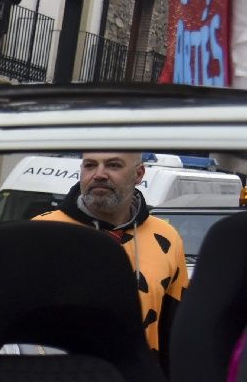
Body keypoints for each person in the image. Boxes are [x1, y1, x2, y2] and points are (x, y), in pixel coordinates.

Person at [34, 151, 187, 355]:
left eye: (113, 165)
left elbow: (175, 329)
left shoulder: (167, 237)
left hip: (139, 381)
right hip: (58, 380)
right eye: (90, 165)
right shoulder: (40, 232)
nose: (99, 174)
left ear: (139, 174)